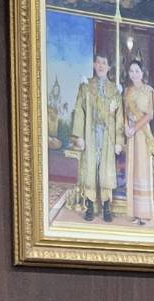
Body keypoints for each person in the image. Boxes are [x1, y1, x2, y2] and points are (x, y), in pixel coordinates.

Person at [68, 52, 122, 223]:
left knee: (106, 170)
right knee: (90, 168)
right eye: (98, 62)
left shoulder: (115, 90)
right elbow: (79, 111)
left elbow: (120, 117)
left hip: (107, 136)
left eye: (104, 63)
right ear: (94, 65)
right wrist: (79, 136)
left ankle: (106, 206)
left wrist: (119, 141)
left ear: (109, 67)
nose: (101, 66)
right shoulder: (86, 87)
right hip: (90, 134)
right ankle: (90, 206)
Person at [122, 59, 154, 224]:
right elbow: (124, 112)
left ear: (142, 73)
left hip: (143, 133)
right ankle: (134, 212)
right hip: (131, 135)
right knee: (133, 169)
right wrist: (126, 128)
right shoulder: (127, 91)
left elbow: (149, 115)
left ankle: (144, 214)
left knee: (143, 169)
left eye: (137, 70)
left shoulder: (149, 91)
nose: (134, 74)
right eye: (131, 71)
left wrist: (134, 128)